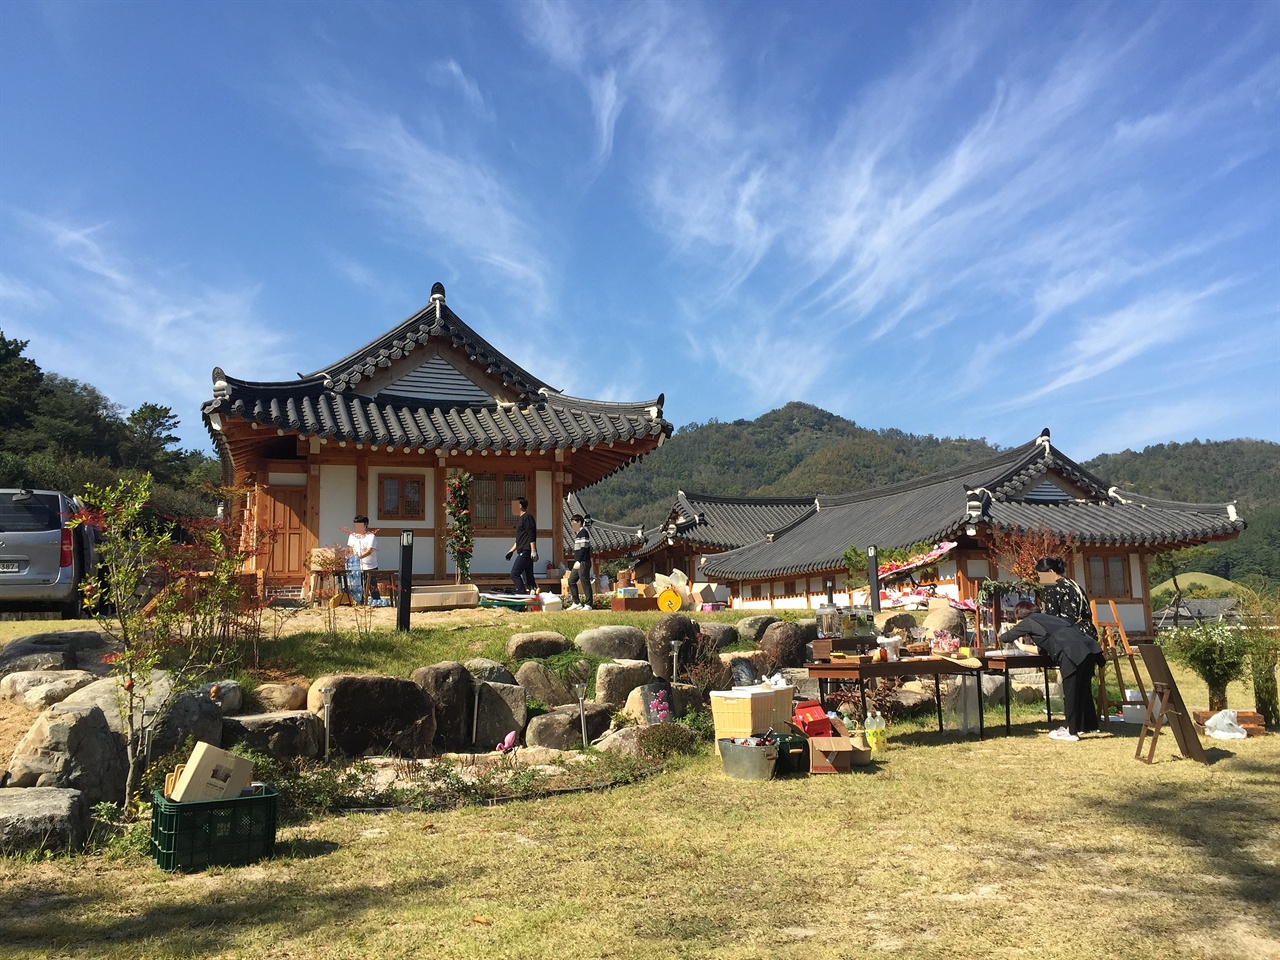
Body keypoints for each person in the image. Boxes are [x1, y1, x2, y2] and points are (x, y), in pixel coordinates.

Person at [999, 600, 1105, 741]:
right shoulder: (1049, 619)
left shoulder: (1029, 621)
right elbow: (1047, 648)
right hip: (1089, 650)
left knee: (1071, 692)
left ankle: (1071, 731)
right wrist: (1022, 647)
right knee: (1082, 690)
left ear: (1020, 616)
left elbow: (1005, 637)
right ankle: (1087, 725)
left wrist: (1013, 629)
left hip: (1071, 654)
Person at [1035, 556, 1098, 641]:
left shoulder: (1052, 588)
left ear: (1050, 571)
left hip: (1068, 636)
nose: (1040, 580)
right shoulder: (1073, 584)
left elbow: (1051, 618)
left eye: (1041, 576)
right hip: (1088, 632)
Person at [505, 497, 537, 594]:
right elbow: (519, 540)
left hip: (527, 551)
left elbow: (531, 534)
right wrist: (511, 551)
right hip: (523, 549)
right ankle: (533, 592)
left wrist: (533, 550)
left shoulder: (527, 517)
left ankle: (521, 593)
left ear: (520, 506)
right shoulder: (521, 519)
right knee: (528, 576)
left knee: (514, 574)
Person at [346, 515, 380, 603]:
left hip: (370, 566)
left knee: (372, 587)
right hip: (357, 567)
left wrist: (358, 557)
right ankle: (359, 604)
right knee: (357, 587)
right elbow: (350, 549)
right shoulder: (352, 536)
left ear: (365, 525)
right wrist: (352, 559)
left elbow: (369, 551)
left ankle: (376, 603)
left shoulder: (371, 536)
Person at [567, 514, 593, 610]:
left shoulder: (584, 533)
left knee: (584, 582)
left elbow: (584, 548)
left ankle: (589, 604)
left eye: (573, 523)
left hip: (583, 562)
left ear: (579, 522)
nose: (572, 525)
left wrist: (579, 560)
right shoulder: (578, 534)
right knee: (571, 580)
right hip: (578, 562)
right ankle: (576, 602)